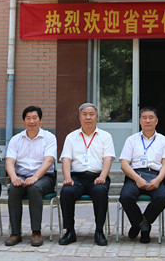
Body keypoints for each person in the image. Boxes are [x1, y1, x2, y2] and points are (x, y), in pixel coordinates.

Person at [59, 103, 115, 246]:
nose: (88, 117)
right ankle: (70, 231)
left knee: (100, 191)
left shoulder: (105, 136)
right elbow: (66, 159)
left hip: (97, 177)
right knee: (66, 191)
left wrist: (102, 176)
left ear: (97, 117)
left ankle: (99, 231)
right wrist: (67, 178)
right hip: (76, 177)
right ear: (79, 117)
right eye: (85, 114)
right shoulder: (71, 137)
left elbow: (108, 159)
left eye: (91, 114)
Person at [4, 106, 57, 247]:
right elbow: (9, 161)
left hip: (44, 177)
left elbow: (48, 161)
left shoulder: (49, 138)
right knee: (13, 189)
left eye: (35, 118)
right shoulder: (16, 139)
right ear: (24, 121)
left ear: (40, 120)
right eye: (28, 118)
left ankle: (36, 232)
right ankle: (15, 233)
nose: (31, 121)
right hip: (21, 175)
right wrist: (14, 177)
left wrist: (35, 177)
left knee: (34, 188)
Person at [118, 106, 165, 243]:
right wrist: (137, 179)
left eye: (151, 118)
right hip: (135, 175)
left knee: (163, 198)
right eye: (144, 118)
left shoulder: (164, 140)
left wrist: (158, 180)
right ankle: (143, 226)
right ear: (140, 121)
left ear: (156, 121)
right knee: (125, 197)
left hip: (155, 175)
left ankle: (140, 224)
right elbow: (124, 164)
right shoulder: (131, 140)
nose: (148, 121)